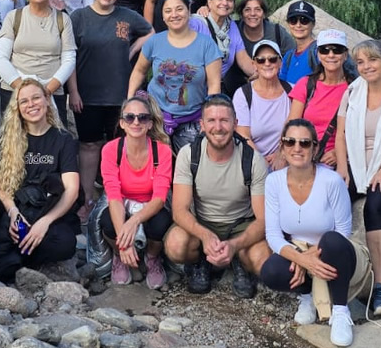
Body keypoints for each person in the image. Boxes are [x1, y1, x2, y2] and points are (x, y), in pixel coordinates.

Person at [260, 118, 368, 348]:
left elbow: (343, 230)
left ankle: (340, 311)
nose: (297, 148)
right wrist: (300, 258)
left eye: (304, 143)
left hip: (334, 254)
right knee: (270, 270)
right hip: (301, 249)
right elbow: (273, 234)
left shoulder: (331, 181)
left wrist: (312, 258)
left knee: (332, 241)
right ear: (282, 147)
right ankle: (306, 296)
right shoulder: (273, 182)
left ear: (315, 148)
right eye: (290, 142)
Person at [68, 0, 153, 221]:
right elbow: (68, 55)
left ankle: (118, 198)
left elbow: (150, 32)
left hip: (120, 96)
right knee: (89, 145)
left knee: (121, 147)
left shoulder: (127, 17)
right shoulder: (79, 17)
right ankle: (88, 199)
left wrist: (131, 50)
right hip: (87, 94)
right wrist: (73, 91)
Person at [164, 95, 270, 299]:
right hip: (203, 222)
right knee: (175, 246)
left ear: (235, 124)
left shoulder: (252, 159)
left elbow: (263, 219)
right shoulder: (189, 155)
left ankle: (239, 259)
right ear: (201, 125)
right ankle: (201, 261)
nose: (218, 127)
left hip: (241, 223)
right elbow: (179, 210)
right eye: (211, 120)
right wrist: (205, 236)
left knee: (262, 259)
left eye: (224, 120)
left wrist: (235, 244)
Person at [0, 79, 81, 283]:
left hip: (46, 208)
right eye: (24, 101)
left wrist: (45, 222)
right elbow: (2, 187)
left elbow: (72, 189)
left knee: (65, 244)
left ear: (46, 100)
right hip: (15, 208)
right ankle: (19, 254)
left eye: (35, 98)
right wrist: (13, 212)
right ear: (17, 108)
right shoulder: (7, 139)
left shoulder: (63, 139)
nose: (31, 104)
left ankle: (15, 258)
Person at [334, 39, 381, 318]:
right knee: (332, 199)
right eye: (360, 62)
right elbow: (340, 135)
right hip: (355, 164)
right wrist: (341, 168)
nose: (366, 66)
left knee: (375, 206)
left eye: (372, 60)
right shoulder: (352, 92)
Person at [128, 0, 222, 152]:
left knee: (192, 165)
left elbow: (214, 84)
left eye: (179, 9)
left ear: (188, 10)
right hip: (154, 118)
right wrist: (131, 103)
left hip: (192, 117)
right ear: (163, 16)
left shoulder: (206, 44)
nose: (174, 15)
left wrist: (209, 118)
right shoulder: (154, 41)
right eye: (168, 11)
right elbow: (139, 71)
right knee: (154, 165)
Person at [100, 94, 173, 289]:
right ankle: (119, 254)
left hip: (149, 205)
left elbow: (159, 197)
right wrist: (123, 241)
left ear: (150, 124)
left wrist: (133, 221)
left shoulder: (162, 151)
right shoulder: (110, 150)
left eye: (142, 117)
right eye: (130, 117)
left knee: (161, 222)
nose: (136, 122)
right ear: (122, 123)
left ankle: (152, 257)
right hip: (122, 202)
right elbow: (113, 195)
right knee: (107, 221)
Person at [0, 0, 77, 126]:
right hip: (14, 91)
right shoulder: (14, 17)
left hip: (51, 91)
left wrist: (47, 90)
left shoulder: (63, 20)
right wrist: (24, 89)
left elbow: (69, 59)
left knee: (53, 144)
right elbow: (1, 57)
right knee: (13, 144)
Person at [287, 29, 355, 167]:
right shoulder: (306, 84)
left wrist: (341, 152)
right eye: (325, 50)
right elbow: (292, 124)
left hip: (337, 159)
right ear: (318, 54)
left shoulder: (355, 88)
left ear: (345, 55)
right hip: (304, 155)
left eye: (337, 50)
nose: (331, 55)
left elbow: (362, 128)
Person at [234, 40, 292, 169]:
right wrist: (262, 163)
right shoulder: (243, 94)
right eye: (261, 60)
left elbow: (298, 130)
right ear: (254, 64)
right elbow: (243, 135)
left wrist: (282, 155)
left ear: (280, 63)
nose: (267, 63)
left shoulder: (293, 92)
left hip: (288, 161)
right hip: (254, 162)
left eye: (272, 59)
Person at [189, 0, 254, 97]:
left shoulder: (231, 26)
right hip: (192, 88)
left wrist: (261, 72)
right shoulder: (195, 23)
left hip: (215, 88)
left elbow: (243, 58)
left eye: (229, 0)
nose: (225, 3)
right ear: (209, 2)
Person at [280, 0, 318, 85]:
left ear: (313, 24)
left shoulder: (320, 52)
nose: (298, 25)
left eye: (304, 20)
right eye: (293, 20)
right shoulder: (288, 56)